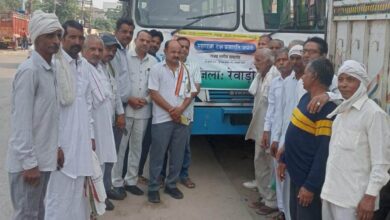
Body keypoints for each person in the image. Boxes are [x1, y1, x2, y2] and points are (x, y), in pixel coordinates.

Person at [7, 10, 63, 220]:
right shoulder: (30, 71)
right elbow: (21, 122)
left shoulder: (51, 69)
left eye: (58, 35)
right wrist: (29, 163)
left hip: (44, 160)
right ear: (36, 37)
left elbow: (49, 117)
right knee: (26, 215)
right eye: (50, 35)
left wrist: (56, 147)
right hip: (28, 165)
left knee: (39, 212)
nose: (56, 41)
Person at [321, 60, 390, 220]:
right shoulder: (342, 111)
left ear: (362, 84)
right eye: (341, 79)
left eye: (350, 79)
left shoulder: (373, 114)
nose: (343, 84)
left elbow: (381, 162)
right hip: (331, 195)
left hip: (354, 201)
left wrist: (370, 197)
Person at [44, 20, 94, 220]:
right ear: (62, 39)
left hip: (80, 141)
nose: (77, 41)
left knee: (78, 192)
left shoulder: (84, 66)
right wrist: (54, 145)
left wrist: (90, 136)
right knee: (57, 194)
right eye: (72, 37)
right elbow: (49, 111)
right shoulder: (55, 65)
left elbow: (88, 104)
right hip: (61, 143)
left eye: (81, 38)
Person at [278, 58, 337, 220]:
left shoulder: (326, 108)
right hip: (296, 175)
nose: (302, 77)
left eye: (306, 74)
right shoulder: (306, 98)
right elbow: (295, 132)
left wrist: (310, 186)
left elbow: (323, 151)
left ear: (315, 76)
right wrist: (284, 159)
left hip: (307, 181)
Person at [147, 40, 196, 203]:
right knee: (157, 154)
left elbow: (190, 94)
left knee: (177, 154)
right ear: (165, 51)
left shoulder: (186, 70)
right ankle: (153, 187)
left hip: (181, 119)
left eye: (179, 51)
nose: (176, 54)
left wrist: (180, 110)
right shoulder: (156, 69)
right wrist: (171, 110)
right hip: (161, 120)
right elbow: (153, 93)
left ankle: (171, 185)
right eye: (173, 51)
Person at [112, 30, 157, 196]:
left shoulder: (153, 62)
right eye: (142, 40)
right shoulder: (124, 59)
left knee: (136, 148)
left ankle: (131, 181)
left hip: (143, 111)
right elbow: (118, 83)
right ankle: (116, 181)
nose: (145, 43)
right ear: (136, 40)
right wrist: (129, 99)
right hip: (126, 110)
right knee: (121, 148)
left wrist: (146, 100)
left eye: (148, 41)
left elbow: (155, 86)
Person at [82, 35, 120, 211]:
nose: (97, 53)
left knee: (102, 164)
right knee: (91, 168)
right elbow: (87, 107)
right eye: (93, 49)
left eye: (99, 49)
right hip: (93, 130)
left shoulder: (99, 68)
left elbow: (110, 95)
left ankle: (97, 202)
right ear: (84, 50)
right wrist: (90, 136)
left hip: (104, 126)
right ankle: (90, 206)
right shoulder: (83, 69)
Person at [245, 48, 279, 214]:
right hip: (260, 128)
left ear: (269, 61)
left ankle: (272, 202)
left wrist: (269, 132)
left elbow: (274, 108)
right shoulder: (261, 76)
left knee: (271, 166)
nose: (255, 63)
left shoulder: (275, 77)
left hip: (270, 130)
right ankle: (265, 196)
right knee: (260, 162)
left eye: (258, 60)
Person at [259, 47, 292, 219]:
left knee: (288, 177)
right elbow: (271, 110)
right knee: (278, 175)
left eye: (284, 59)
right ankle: (281, 209)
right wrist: (267, 132)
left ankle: (289, 212)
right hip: (275, 135)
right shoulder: (276, 82)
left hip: (290, 137)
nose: (281, 63)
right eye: (278, 60)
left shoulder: (299, 83)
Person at [100, 34, 126, 202]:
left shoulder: (110, 67)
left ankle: (107, 188)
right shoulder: (92, 68)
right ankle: (100, 195)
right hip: (99, 124)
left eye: (114, 50)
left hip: (113, 120)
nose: (111, 53)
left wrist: (121, 113)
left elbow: (115, 93)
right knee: (100, 161)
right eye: (108, 49)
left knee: (110, 158)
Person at [110, 18, 135, 197]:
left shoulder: (125, 51)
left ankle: (114, 183)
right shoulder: (114, 51)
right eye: (124, 31)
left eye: (130, 32)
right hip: (115, 108)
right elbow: (115, 84)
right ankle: (112, 185)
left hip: (124, 105)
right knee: (114, 148)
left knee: (120, 146)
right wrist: (120, 112)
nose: (128, 35)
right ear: (116, 31)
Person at [138, 29, 164, 184]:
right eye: (151, 41)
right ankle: (132, 173)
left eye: (156, 43)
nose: (153, 45)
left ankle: (142, 172)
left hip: (153, 111)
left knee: (147, 143)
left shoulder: (158, 62)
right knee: (135, 144)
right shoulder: (136, 58)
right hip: (137, 108)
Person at [177, 36, 201, 189]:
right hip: (168, 112)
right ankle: (161, 176)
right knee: (165, 147)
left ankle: (184, 175)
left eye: (186, 47)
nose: (184, 50)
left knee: (184, 146)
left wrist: (182, 105)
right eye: (181, 46)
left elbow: (196, 88)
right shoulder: (165, 64)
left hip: (186, 113)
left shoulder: (194, 65)